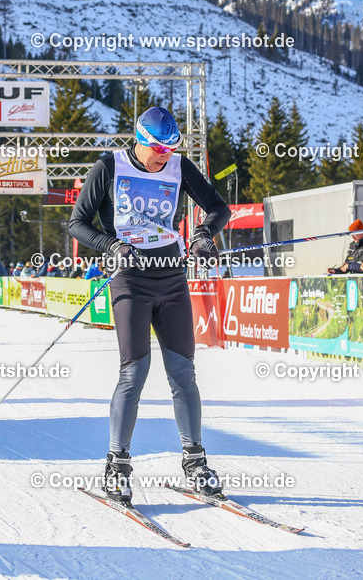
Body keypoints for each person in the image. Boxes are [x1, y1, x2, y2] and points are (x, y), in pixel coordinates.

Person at [68, 105, 231, 503]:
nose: (164, 155)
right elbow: (77, 223)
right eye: (158, 147)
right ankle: (117, 465)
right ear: (140, 140)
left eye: (171, 148)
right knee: (134, 373)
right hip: (130, 280)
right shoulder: (108, 168)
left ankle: (195, 462)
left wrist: (203, 236)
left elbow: (218, 208)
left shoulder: (179, 167)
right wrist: (112, 246)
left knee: (183, 373)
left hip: (172, 278)